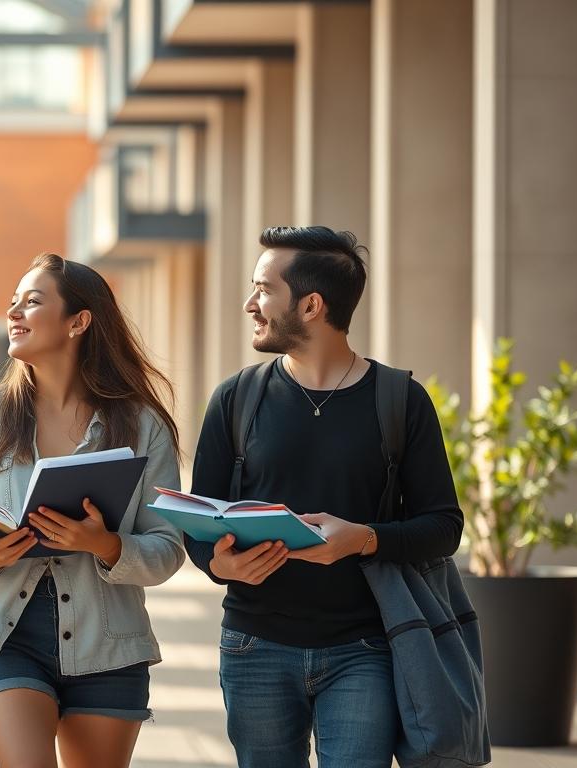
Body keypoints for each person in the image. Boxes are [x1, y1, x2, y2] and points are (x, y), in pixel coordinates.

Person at [186, 226, 463, 768]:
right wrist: (221, 565)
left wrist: (362, 540)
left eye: (264, 289)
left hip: (366, 650)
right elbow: (199, 522)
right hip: (253, 646)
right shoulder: (236, 398)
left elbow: (444, 527)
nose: (250, 304)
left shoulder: (401, 401)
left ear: (312, 305)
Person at [0, 253, 184, 768]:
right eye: (12, 303)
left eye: (32, 301)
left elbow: (167, 546)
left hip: (111, 645)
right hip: (7, 637)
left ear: (79, 321)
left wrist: (105, 545)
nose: (14, 313)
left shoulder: (142, 426)